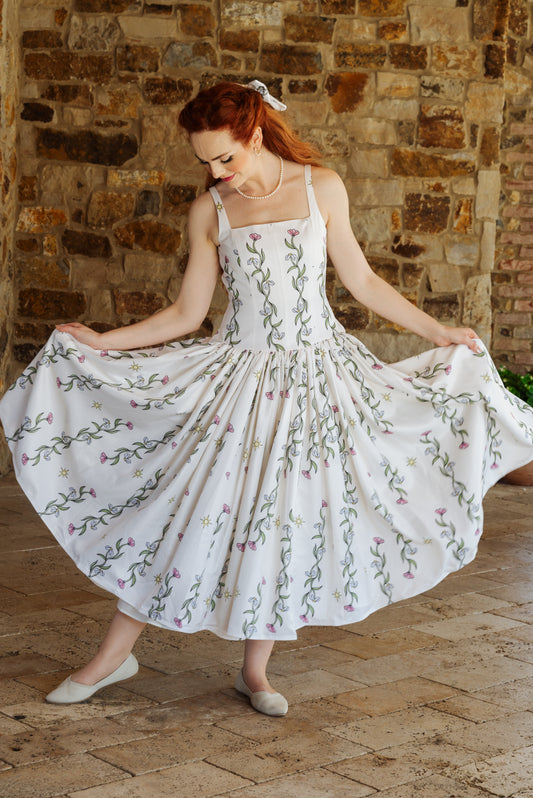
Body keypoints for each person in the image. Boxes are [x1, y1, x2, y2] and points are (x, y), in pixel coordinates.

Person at [1, 81, 532, 717]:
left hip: (318, 378)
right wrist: (103, 342)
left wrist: (439, 331)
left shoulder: (320, 186)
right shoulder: (211, 210)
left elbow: (361, 281)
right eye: (204, 161)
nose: (215, 172)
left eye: (225, 157)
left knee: (287, 518)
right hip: (240, 378)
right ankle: (113, 657)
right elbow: (186, 313)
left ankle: (256, 671)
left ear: (254, 135)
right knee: (185, 509)